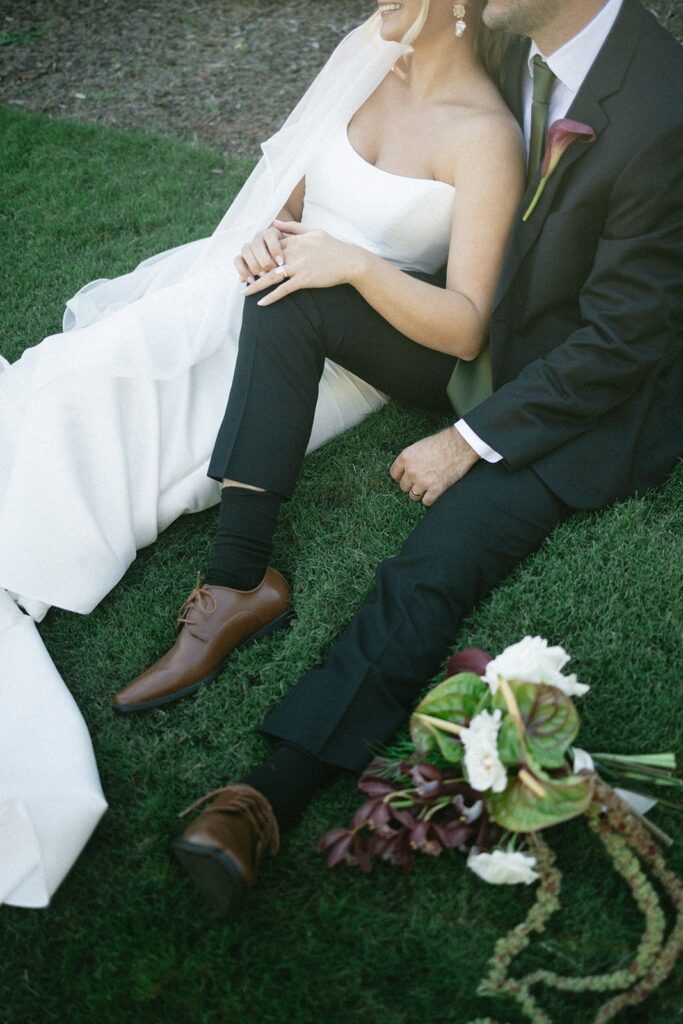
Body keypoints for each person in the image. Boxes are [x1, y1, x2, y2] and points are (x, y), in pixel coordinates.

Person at [163, 0, 683, 920]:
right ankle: (238, 577)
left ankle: (266, 797)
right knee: (293, 289)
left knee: (432, 568)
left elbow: (621, 342)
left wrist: (467, 438)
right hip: (471, 330)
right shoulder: (510, 41)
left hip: (580, 396)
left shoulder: (662, 109)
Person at [0, 2, 519, 906]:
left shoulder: (484, 134)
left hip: (378, 341)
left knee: (188, 408)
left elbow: (466, 327)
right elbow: (284, 200)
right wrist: (271, 238)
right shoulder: (364, 59)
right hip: (276, 291)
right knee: (88, 375)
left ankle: (237, 579)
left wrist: (351, 264)